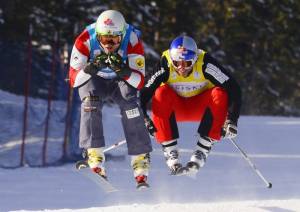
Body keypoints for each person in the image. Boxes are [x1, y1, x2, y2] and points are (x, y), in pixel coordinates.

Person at [69, 10, 152, 187]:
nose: (108, 44)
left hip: (120, 79)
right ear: (97, 35)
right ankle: (94, 155)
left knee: (129, 104)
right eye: (104, 39)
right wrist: (90, 68)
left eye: (114, 40)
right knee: (90, 102)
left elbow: (139, 82)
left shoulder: (132, 40)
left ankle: (140, 159)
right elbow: (75, 80)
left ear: (122, 35)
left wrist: (123, 70)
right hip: (95, 79)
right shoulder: (84, 40)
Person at [140, 35, 242, 175]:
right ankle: (170, 151)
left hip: (202, 108)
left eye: (187, 63)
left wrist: (231, 119)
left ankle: (202, 149)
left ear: (194, 59)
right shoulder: (166, 64)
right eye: (177, 63)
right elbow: (144, 92)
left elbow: (233, 88)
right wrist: (143, 118)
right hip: (175, 109)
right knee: (160, 92)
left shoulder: (205, 64)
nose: (181, 68)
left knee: (220, 93)